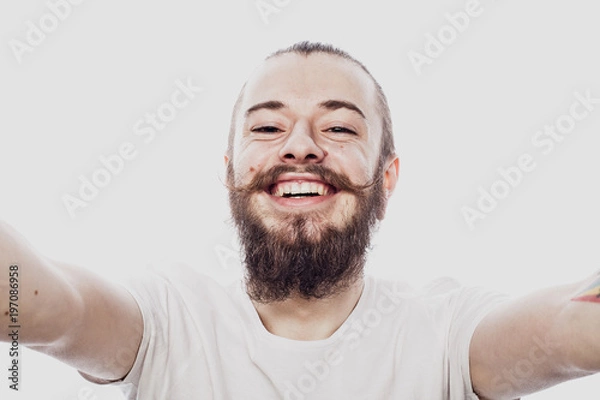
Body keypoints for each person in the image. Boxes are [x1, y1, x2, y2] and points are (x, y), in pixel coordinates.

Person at [1, 41, 600, 400]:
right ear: (231, 172)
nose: (301, 146)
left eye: (339, 127)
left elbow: (570, 328)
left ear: (386, 178)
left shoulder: (448, 335)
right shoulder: (165, 321)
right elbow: (40, 305)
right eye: (267, 126)